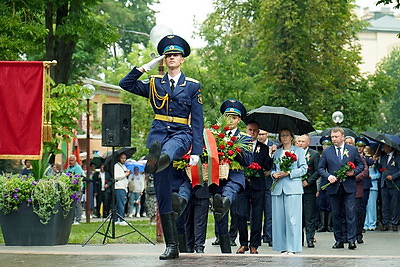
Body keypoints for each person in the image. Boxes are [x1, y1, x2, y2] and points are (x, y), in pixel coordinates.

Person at [119, 34, 204, 260]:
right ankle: (172, 246)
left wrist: (197, 150)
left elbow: (197, 120)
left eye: (175, 55)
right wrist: (146, 66)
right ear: (163, 60)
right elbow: (125, 84)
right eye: (167, 56)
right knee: (164, 195)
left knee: (169, 151)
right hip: (158, 134)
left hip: (181, 134)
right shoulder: (155, 83)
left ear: (182, 59)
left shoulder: (192, 86)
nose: (171, 58)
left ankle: (155, 161)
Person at [209, 99, 252, 253]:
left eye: (234, 118)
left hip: (235, 177)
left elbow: (248, 161)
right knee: (219, 213)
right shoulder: (215, 135)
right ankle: (225, 248)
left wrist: (234, 148)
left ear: (239, 120)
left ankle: (225, 200)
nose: (231, 120)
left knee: (228, 194)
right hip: (218, 177)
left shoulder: (244, 137)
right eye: (228, 116)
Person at [318, 127, 364, 250]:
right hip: (334, 187)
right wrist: (328, 176)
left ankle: (351, 240)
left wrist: (353, 172)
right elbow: (321, 168)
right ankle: (339, 240)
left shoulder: (352, 150)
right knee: (336, 215)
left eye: (336, 137)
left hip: (349, 187)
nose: (334, 139)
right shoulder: (327, 152)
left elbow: (361, 165)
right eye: (332, 137)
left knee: (350, 213)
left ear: (342, 137)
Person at [236, 121, 272, 254]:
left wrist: (270, 154)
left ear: (258, 132)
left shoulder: (263, 148)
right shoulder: (239, 146)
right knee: (241, 214)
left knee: (257, 216)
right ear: (246, 130)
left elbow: (267, 166)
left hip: (258, 185)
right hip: (243, 185)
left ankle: (254, 245)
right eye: (250, 130)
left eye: (255, 130)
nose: (252, 132)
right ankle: (243, 243)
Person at [270, 127, 307, 254]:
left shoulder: (299, 151)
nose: (284, 137)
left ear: (292, 137)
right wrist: (274, 174)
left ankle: (293, 248)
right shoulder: (277, 152)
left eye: (286, 135)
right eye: (282, 135)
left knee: (293, 219)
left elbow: (303, 169)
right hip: (278, 188)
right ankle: (282, 247)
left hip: (293, 187)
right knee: (278, 219)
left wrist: (289, 173)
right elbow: (273, 168)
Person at [295, 134, 320, 248]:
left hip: (309, 188)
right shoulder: (292, 153)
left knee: (309, 215)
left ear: (308, 142)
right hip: (295, 187)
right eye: (298, 141)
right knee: (298, 215)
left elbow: (318, 171)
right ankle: (298, 239)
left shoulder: (314, 154)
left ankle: (310, 238)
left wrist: (308, 181)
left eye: (302, 141)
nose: (300, 143)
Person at [375, 143, 400, 231]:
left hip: (394, 184)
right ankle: (385, 223)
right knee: (384, 205)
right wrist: (375, 161)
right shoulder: (384, 157)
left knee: (394, 205)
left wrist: (393, 176)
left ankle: (394, 223)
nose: (383, 148)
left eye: (385, 146)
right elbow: (380, 168)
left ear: (389, 147)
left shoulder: (397, 157)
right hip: (384, 184)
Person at [354, 137, 372, 243]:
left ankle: (359, 232)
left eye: (362, 147)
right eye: (358, 146)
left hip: (364, 185)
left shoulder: (366, 158)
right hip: (354, 186)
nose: (359, 148)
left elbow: (370, 164)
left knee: (361, 209)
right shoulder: (353, 156)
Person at [258, 129, 274, 246]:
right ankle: (256, 235)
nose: (260, 137)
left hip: (269, 183)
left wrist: (271, 171)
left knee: (269, 212)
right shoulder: (253, 145)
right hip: (257, 181)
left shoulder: (274, 146)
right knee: (257, 212)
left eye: (263, 134)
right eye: (259, 134)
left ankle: (268, 236)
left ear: (267, 134)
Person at [364, 146, 381, 231]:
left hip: (373, 186)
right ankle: (365, 223)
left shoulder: (374, 162)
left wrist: (372, 177)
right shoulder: (364, 161)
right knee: (365, 206)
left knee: (372, 206)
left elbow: (379, 174)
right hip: (365, 185)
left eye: (367, 151)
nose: (366, 153)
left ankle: (372, 223)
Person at [66, 155, 84, 225]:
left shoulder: (78, 168)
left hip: (77, 188)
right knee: (72, 204)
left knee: (77, 204)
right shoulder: (69, 167)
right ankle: (72, 219)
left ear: (75, 161)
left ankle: (78, 219)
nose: (70, 162)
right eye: (69, 160)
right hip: (70, 188)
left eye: (71, 160)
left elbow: (77, 178)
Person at [114, 152, 130, 225]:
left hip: (123, 187)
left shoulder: (123, 166)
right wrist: (125, 174)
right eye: (122, 158)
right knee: (121, 204)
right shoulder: (116, 166)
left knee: (119, 204)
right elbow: (116, 176)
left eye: (124, 158)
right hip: (119, 186)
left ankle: (116, 219)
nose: (123, 159)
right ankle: (121, 219)